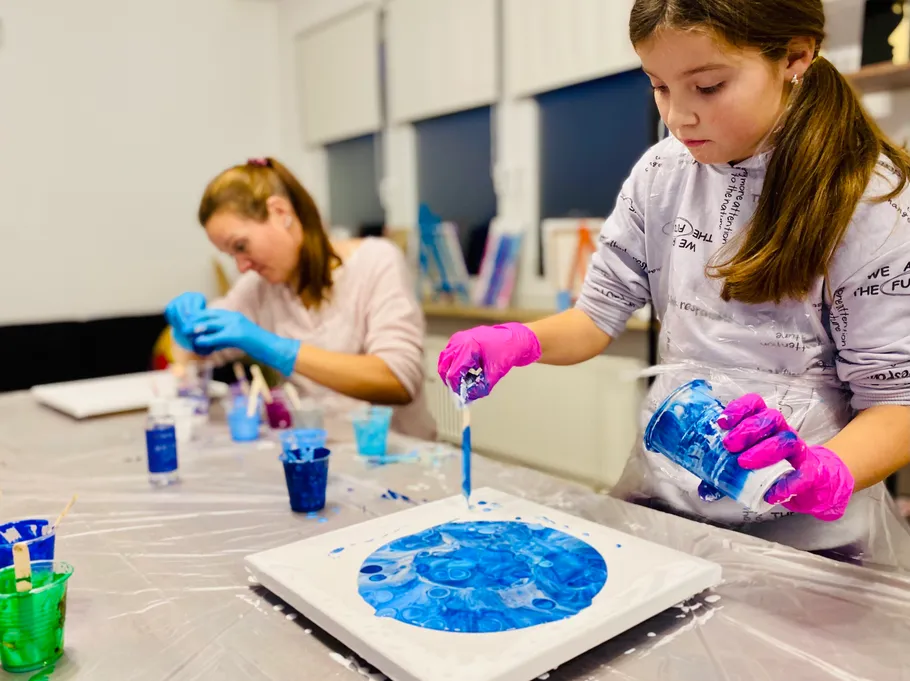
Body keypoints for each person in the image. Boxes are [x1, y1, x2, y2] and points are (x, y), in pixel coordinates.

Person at [438, 0, 910, 566]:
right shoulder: (662, 173)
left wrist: (827, 470)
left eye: (708, 87)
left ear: (794, 57)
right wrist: (521, 341)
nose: (678, 117)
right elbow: (595, 318)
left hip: (811, 534)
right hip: (667, 498)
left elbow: (896, 404)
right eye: (659, 87)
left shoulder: (872, 201)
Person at [165, 157, 436, 440]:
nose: (241, 266)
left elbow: (398, 380)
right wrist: (187, 332)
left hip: (398, 452)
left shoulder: (376, 262)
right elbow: (192, 357)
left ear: (279, 212)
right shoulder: (258, 288)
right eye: (231, 255)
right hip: (318, 451)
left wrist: (281, 350)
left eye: (241, 246)